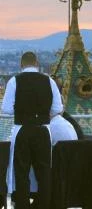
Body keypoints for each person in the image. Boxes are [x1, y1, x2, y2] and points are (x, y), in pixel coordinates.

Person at [1, 51, 63, 209]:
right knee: (44, 172)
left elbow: (6, 109)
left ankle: (22, 205)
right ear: (37, 63)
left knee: (21, 172)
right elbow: (58, 108)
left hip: (22, 130)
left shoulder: (15, 81)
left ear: (21, 65)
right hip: (43, 130)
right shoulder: (49, 81)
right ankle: (43, 205)